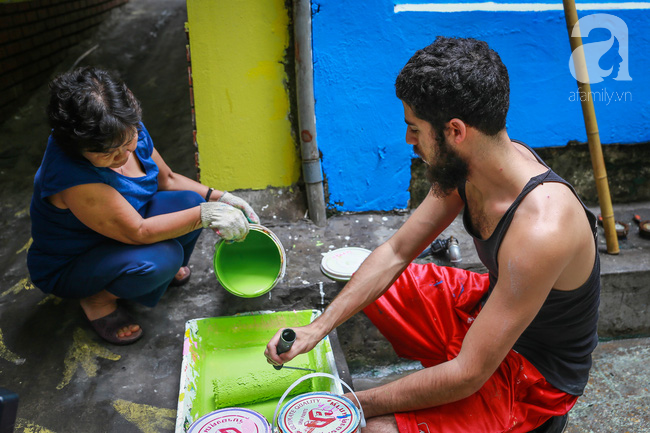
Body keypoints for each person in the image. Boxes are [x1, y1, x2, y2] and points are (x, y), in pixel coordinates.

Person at [265, 37, 600, 432]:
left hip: (534, 375)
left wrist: (351, 403)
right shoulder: (471, 165)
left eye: (414, 128)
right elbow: (395, 251)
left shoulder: (541, 228)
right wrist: (317, 329)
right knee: (375, 275)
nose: (409, 140)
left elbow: (468, 373)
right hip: (493, 313)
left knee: (374, 429)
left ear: (455, 131)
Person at [28, 66, 260, 345]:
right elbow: (138, 231)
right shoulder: (72, 176)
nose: (122, 156)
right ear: (76, 147)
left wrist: (219, 198)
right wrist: (204, 215)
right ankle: (98, 300)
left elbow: (169, 179)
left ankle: (145, 276)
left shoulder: (123, 124)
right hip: (76, 260)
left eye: (127, 144)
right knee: (164, 255)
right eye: (106, 154)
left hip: (120, 230)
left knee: (190, 201)